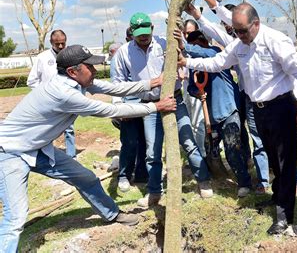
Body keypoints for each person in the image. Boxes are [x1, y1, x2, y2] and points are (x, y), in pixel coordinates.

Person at [0, 44, 177, 252]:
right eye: (89, 66)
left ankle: (112, 214)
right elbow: (110, 109)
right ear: (73, 71)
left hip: (37, 148)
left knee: (86, 177)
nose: (94, 71)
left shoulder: (75, 82)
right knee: (16, 216)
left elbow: (114, 88)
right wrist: (154, 107)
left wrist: (152, 83)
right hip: (10, 152)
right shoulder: (63, 93)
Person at [178, 2, 297, 235]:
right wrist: (187, 62)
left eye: (242, 31)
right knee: (271, 158)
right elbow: (217, 63)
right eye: (235, 31)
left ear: (256, 23)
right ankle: (277, 198)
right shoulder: (240, 44)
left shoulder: (275, 41)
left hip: (281, 107)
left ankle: (284, 217)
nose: (238, 35)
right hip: (258, 109)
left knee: (285, 162)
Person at [113, 12, 213, 208]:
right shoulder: (123, 53)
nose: (144, 36)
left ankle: (203, 180)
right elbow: (117, 83)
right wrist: (120, 106)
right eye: (138, 33)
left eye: (146, 31)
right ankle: (154, 191)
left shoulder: (165, 43)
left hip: (174, 100)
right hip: (150, 106)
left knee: (188, 141)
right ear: (131, 32)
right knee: (152, 151)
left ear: (152, 28)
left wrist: (181, 46)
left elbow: (185, 58)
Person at [177, 29, 252, 197]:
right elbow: (191, 88)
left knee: (232, 147)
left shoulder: (216, 54)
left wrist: (186, 47)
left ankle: (244, 182)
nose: (194, 50)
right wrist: (197, 92)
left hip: (228, 109)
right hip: (210, 115)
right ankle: (216, 174)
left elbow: (204, 53)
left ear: (204, 43)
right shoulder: (194, 67)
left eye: (196, 46)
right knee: (209, 147)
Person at [27, 30, 76, 158]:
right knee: (47, 129)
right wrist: (43, 94)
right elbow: (31, 81)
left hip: (66, 100)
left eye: (63, 43)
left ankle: (71, 156)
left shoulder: (70, 56)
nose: (60, 46)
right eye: (57, 44)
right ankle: (49, 156)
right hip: (47, 102)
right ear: (51, 42)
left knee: (69, 128)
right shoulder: (42, 58)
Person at [110, 36, 149, 193]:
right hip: (129, 106)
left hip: (146, 104)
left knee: (145, 142)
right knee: (130, 142)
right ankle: (124, 175)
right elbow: (116, 82)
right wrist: (119, 107)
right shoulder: (120, 55)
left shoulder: (146, 53)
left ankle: (141, 173)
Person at [181, 19, 206, 158]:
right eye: (185, 33)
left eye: (190, 32)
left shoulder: (200, 47)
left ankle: (201, 153)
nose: (186, 36)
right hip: (186, 88)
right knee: (190, 121)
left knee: (199, 122)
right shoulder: (181, 47)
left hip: (198, 88)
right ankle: (194, 152)